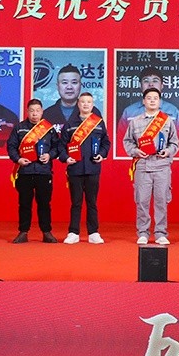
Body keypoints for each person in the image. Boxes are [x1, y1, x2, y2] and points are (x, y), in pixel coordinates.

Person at [123, 88, 179, 245]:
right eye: (149, 98)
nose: (152, 100)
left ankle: (161, 233)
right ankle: (143, 232)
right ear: (144, 101)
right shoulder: (135, 121)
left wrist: (168, 151)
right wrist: (136, 151)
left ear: (160, 101)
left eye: (155, 98)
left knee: (161, 201)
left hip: (162, 166)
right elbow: (127, 142)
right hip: (143, 166)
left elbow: (174, 142)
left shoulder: (167, 121)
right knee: (142, 201)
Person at [59, 92, 111, 244]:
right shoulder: (70, 124)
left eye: (89, 102)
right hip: (75, 168)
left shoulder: (98, 123)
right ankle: (73, 232)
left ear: (93, 105)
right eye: (83, 102)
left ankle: (93, 232)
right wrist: (66, 158)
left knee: (92, 202)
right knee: (76, 202)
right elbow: (61, 145)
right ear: (78, 104)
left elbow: (106, 143)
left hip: (93, 168)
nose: (86, 104)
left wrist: (102, 154)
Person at [8, 99, 60, 244]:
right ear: (27, 112)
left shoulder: (49, 129)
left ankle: (46, 232)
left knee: (44, 203)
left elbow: (57, 147)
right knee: (24, 203)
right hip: (25, 171)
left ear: (42, 112)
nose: (34, 114)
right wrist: (18, 159)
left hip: (44, 172)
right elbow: (11, 146)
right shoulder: (19, 128)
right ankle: (23, 232)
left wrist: (49, 155)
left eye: (37, 111)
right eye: (32, 111)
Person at [118, 66, 179, 142]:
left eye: (155, 81)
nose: (151, 84)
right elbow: (121, 140)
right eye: (146, 81)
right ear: (140, 85)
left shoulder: (173, 111)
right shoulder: (129, 112)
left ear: (162, 85)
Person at [42, 64, 82, 130]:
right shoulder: (47, 114)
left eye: (74, 82)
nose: (69, 87)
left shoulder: (92, 113)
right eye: (64, 82)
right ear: (57, 86)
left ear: (80, 85)